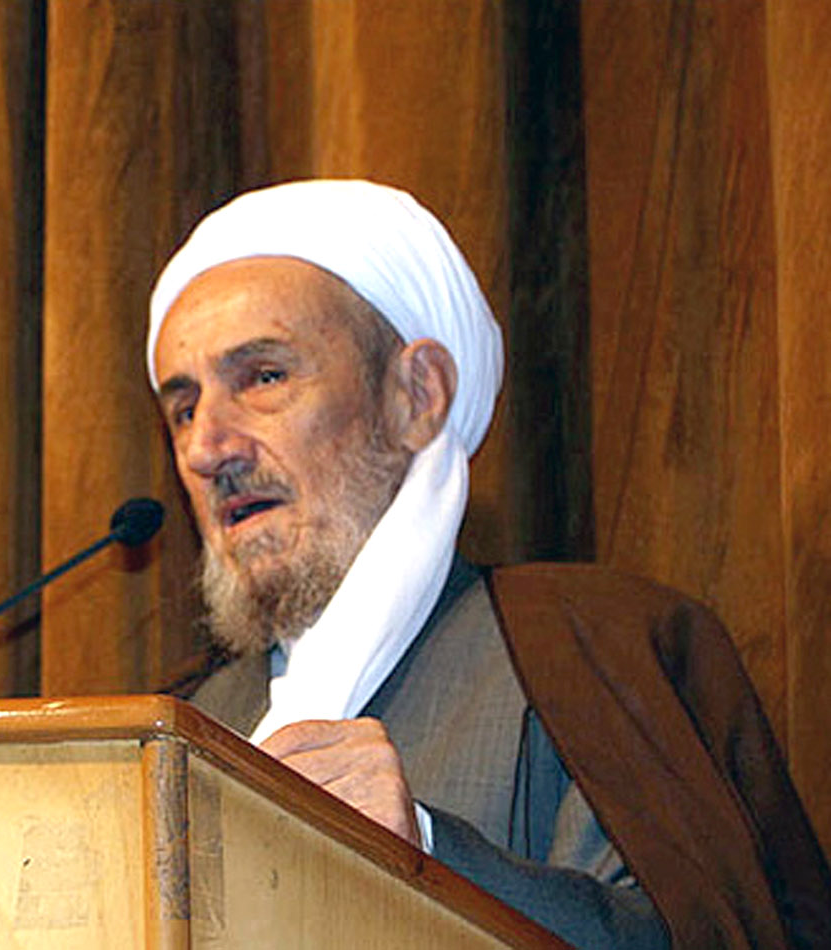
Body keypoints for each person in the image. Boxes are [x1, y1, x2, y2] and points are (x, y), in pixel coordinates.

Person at [146, 179, 831, 948]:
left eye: (264, 378)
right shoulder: (179, 724)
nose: (207, 448)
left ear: (417, 395)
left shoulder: (593, 648)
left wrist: (432, 853)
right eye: (183, 409)